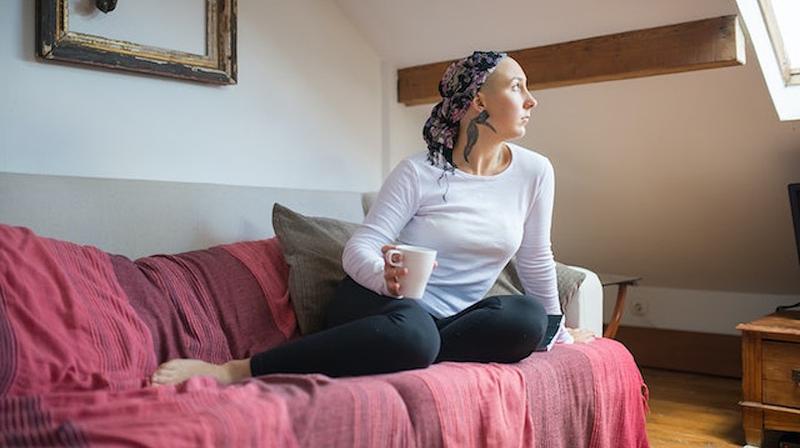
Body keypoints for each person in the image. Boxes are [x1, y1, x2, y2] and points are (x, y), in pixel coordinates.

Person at [151, 51, 595, 387]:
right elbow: (359, 248)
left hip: (454, 322)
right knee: (414, 332)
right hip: (381, 306)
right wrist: (388, 278)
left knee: (527, 319)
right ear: (479, 100)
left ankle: (408, 350)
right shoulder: (418, 173)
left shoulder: (535, 172)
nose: (531, 100)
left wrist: (558, 334)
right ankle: (236, 370)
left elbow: (536, 258)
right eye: (517, 87)